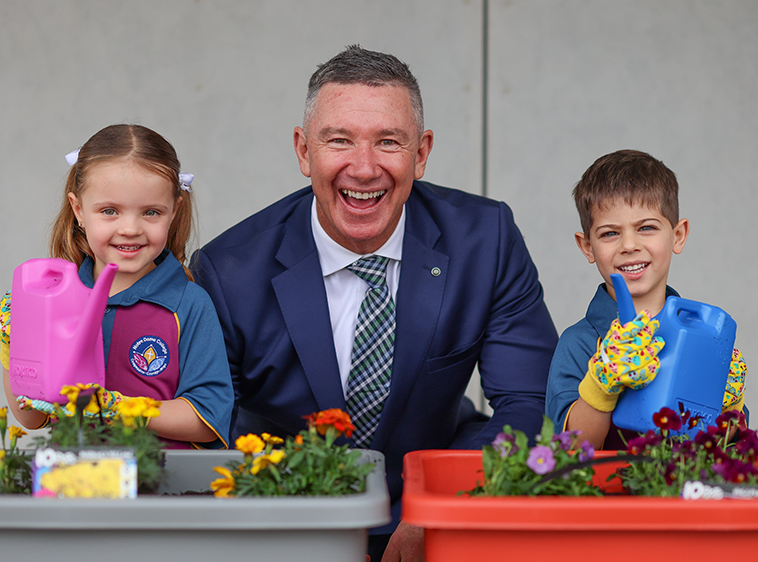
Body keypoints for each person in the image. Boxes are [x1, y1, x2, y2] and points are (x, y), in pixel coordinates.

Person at [191, 45, 558, 560]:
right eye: (339, 141)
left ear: (421, 153)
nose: (363, 169)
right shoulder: (228, 270)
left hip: (436, 510)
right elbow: (210, 433)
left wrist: (441, 511)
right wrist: (308, 529)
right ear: (303, 151)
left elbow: (530, 401)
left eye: (389, 142)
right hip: (287, 518)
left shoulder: (485, 239)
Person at [0, 124, 233, 449]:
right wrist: (14, 344)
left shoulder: (188, 304)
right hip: (73, 487)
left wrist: (116, 408)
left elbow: (206, 418)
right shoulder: (55, 302)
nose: (130, 228)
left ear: (174, 211)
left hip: (162, 490)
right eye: (109, 211)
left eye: (151, 212)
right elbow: (32, 418)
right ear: (78, 209)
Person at [545, 149, 747, 450]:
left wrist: (729, 407)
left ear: (678, 235)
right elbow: (567, 450)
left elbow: (728, 449)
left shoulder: (704, 338)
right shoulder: (579, 343)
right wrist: (601, 383)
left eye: (647, 228)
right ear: (587, 247)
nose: (629, 245)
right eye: (610, 233)